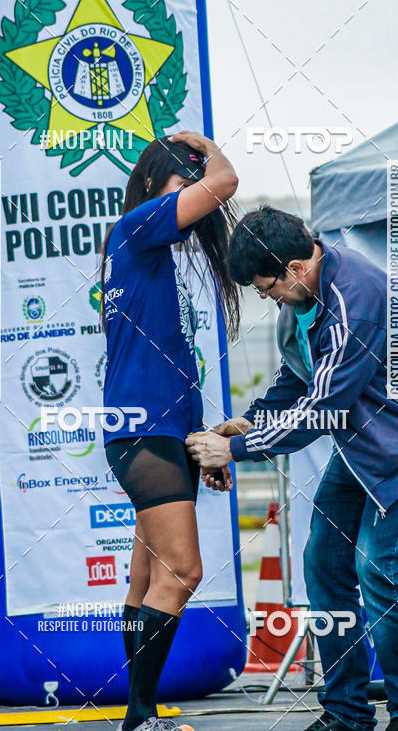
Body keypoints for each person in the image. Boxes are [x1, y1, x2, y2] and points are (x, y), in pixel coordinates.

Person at [187, 206, 398, 731]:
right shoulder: (302, 298)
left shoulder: (352, 300)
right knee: (323, 564)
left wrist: (237, 453)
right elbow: (295, 383)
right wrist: (246, 423)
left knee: (379, 569)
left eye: (267, 288)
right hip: (364, 442)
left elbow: (323, 408)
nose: (266, 299)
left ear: (294, 268)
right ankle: (346, 713)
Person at [101, 131, 240, 731]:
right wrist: (205, 147)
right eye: (183, 186)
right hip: (143, 433)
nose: (196, 202)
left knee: (149, 579)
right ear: (155, 185)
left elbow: (171, 367)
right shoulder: (138, 225)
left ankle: (139, 715)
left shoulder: (153, 255)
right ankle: (140, 717)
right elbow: (226, 182)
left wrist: (204, 442)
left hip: (161, 430)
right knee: (183, 573)